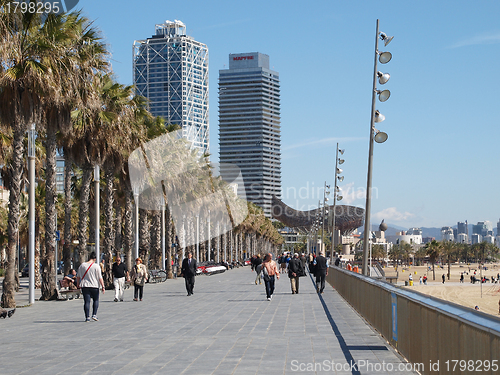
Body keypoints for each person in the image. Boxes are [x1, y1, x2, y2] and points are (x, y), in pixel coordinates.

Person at [76, 252, 105, 322]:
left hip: (85, 286)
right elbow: (100, 277)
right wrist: (103, 286)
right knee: (96, 300)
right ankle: (94, 314)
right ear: (95, 259)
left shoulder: (82, 265)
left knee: (87, 301)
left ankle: (87, 317)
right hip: (94, 286)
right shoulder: (96, 266)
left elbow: (78, 276)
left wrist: (78, 284)